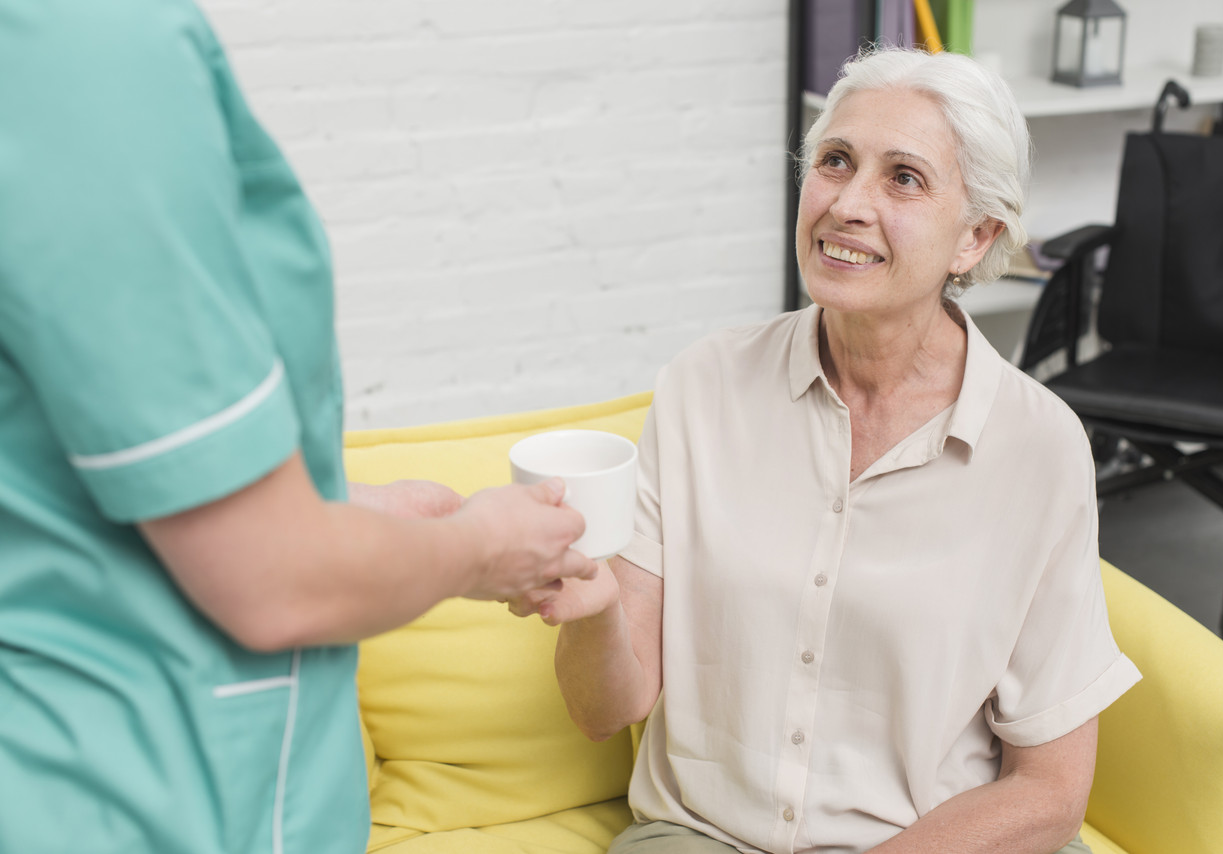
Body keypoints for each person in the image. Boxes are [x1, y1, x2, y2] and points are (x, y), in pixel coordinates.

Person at [511, 47, 1142, 854]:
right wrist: (592, 607)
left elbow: (1049, 792)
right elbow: (603, 711)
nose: (847, 202)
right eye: (835, 161)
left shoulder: (1040, 447)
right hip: (708, 837)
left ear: (974, 237)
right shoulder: (702, 387)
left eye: (903, 178)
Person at [0, 2, 596, 852]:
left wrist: (341, 507)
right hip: (139, 802)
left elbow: (62, 451)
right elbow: (273, 580)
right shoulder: (87, 47)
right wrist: (478, 548)